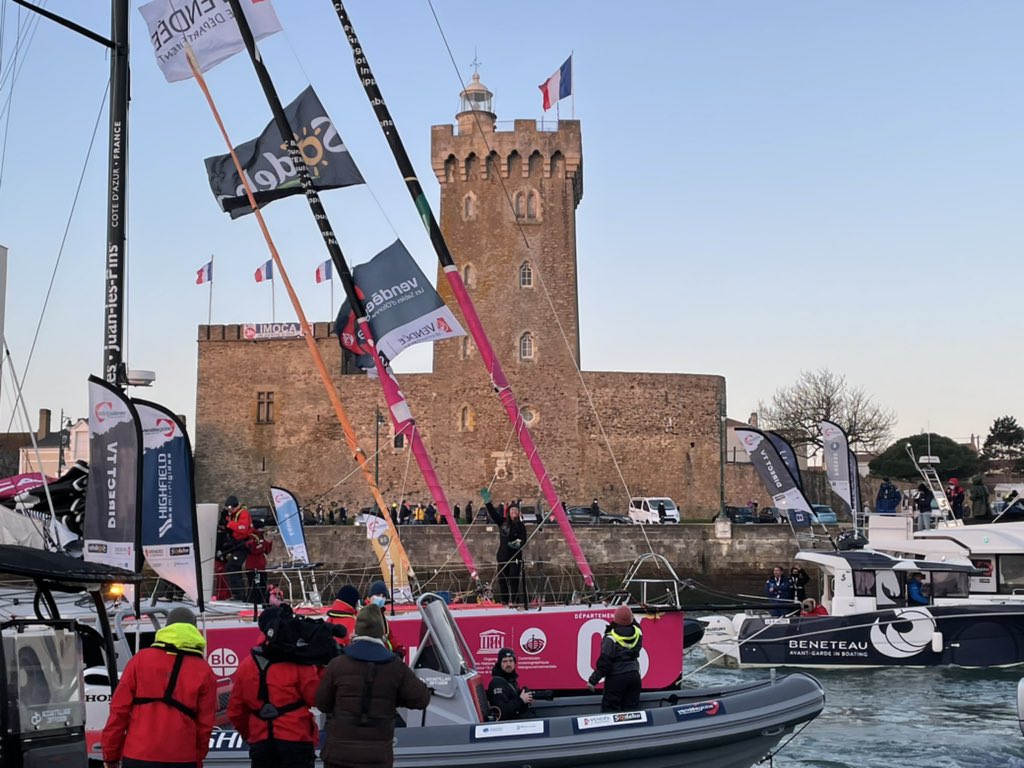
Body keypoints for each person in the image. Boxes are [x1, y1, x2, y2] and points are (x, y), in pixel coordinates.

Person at [315, 605, 430, 768]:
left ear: (357, 631)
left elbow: (322, 703)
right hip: (377, 758)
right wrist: (393, 698)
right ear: (382, 633)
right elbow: (422, 699)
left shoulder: (337, 665)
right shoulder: (395, 667)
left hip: (339, 756)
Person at [101, 607, 217, 768]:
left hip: (138, 755)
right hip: (182, 758)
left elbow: (119, 711)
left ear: (167, 628)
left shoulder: (140, 660)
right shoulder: (204, 670)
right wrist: (197, 757)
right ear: (194, 630)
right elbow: (205, 724)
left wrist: (110, 754)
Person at [228, 606, 322, 768]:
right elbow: (315, 698)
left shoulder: (246, 666)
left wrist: (251, 734)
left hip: (261, 743)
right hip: (296, 740)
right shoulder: (299, 662)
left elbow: (236, 711)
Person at [587, 605, 642, 712]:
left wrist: (592, 681)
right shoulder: (638, 632)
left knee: (610, 710)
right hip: (634, 676)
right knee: (631, 711)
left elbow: (605, 663)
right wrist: (628, 612)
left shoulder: (610, 638)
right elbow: (634, 623)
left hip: (616, 678)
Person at [484, 490, 528, 605]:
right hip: (503, 555)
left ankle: (514, 600)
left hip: (515, 555)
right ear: (508, 512)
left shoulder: (521, 526)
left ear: (518, 513)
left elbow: (524, 538)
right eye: (512, 510)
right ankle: (504, 600)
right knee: (502, 579)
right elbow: (493, 513)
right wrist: (487, 502)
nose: (514, 512)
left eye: (516, 511)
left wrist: (519, 543)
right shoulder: (502, 522)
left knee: (514, 578)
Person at [486, 648, 533, 720]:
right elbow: (501, 712)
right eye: (504, 661)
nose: (508, 664)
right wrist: (521, 700)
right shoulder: (497, 683)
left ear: (514, 663)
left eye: (511, 661)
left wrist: (523, 694)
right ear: (499, 663)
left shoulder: (510, 679)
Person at [364, 580, 405, 658]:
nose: (381, 598)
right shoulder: (364, 613)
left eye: (383, 596)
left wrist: (399, 648)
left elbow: (389, 635)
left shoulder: (381, 613)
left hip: (385, 654)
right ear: (370, 596)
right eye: (378, 595)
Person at [223, 496, 252, 600]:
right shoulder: (232, 514)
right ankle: (239, 594)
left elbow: (243, 528)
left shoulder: (243, 513)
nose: (228, 510)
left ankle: (238, 595)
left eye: (229, 507)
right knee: (233, 568)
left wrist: (229, 524)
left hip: (242, 544)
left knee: (232, 567)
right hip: (235, 544)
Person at [245, 520, 273, 606]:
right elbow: (254, 550)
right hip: (254, 567)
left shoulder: (261, 537)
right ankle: (254, 601)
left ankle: (261, 600)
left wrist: (269, 542)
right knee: (256, 584)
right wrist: (262, 544)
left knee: (263, 584)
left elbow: (267, 551)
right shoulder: (251, 537)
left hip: (261, 567)